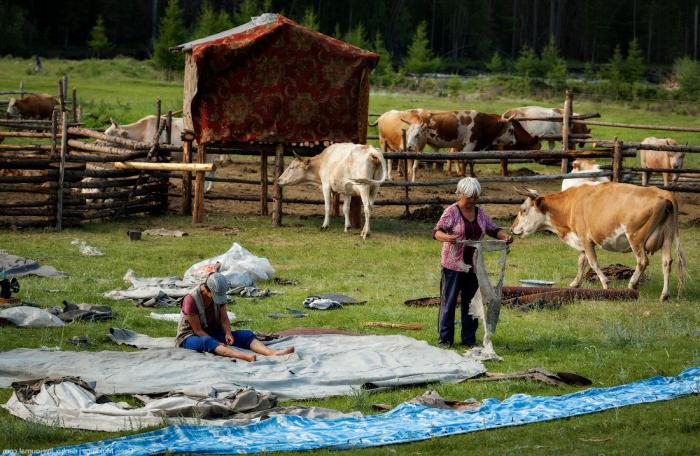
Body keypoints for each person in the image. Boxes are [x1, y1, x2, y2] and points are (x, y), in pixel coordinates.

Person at [432, 177, 512, 348]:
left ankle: (468, 338)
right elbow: (437, 232)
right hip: (453, 265)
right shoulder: (451, 212)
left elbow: (493, 229)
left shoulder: (480, 213)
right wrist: (448, 238)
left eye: (476, 197)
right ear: (460, 194)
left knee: (472, 302)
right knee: (449, 301)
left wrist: (504, 237)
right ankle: (445, 339)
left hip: (474, 266)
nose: (473, 201)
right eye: (469, 197)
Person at [175, 272, 294, 361]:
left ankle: (272, 353)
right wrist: (216, 341)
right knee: (207, 341)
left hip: (212, 332)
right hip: (189, 337)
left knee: (245, 335)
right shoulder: (191, 300)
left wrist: (228, 333)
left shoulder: (219, 296)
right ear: (206, 290)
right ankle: (245, 357)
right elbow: (198, 330)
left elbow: (224, 318)